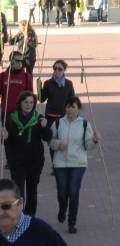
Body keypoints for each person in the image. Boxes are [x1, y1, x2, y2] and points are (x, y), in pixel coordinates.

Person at [50, 96, 99, 233]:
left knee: (73, 190)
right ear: (64, 108)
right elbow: (50, 141)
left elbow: (88, 146)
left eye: (73, 107)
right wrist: (58, 144)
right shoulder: (58, 123)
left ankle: (72, 222)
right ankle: (62, 209)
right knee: (62, 191)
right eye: (68, 106)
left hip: (78, 162)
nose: (70, 109)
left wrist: (95, 141)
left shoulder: (85, 124)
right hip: (60, 163)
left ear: (78, 109)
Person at [2, 91, 52, 216]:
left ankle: (30, 218)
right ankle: (19, 216)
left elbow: (47, 138)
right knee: (19, 192)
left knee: (32, 191)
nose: (29, 105)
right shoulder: (12, 119)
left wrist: (45, 127)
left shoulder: (39, 118)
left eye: (31, 102)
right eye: (26, 102)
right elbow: (6, 141)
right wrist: (5, 137)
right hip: (17, 162)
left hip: (35, 161)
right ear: (20, 103)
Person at [40, 60, 76, 168]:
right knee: (52, 142)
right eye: (55, 68)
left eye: (59, 69)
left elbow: (72, 100)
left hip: (63, 117)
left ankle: (62, 162)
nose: (57, 71)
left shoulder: (69, 84)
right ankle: (55, 164)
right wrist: (39, 89)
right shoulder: (48, 83)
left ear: (64, 70)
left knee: (63, 140)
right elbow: (41, 99)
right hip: (50, 117)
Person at [0, 51, 34, 125]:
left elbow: (31, 97)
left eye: (22, 61)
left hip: (22, 114)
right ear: (11, 61)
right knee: (6, 136)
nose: (20, 63)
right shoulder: (2, 76)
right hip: (7, 114)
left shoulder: (27, 77)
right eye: (18, 61)